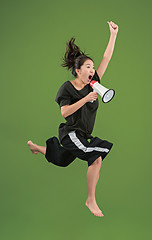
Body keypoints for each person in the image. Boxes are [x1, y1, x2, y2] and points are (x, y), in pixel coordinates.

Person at [27, 21, 118, 217]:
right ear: (78, 70)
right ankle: (90, 199)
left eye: (93, 67)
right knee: (95, 156)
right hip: (71, 133)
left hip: (83, 134)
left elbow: (106, 57)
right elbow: (65, 112)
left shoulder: (93, 84)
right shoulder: (67, 88)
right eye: (88, 67)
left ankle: (37, 148)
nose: (92, 70)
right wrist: (85, 99)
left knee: (61, 159)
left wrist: (113, 35)